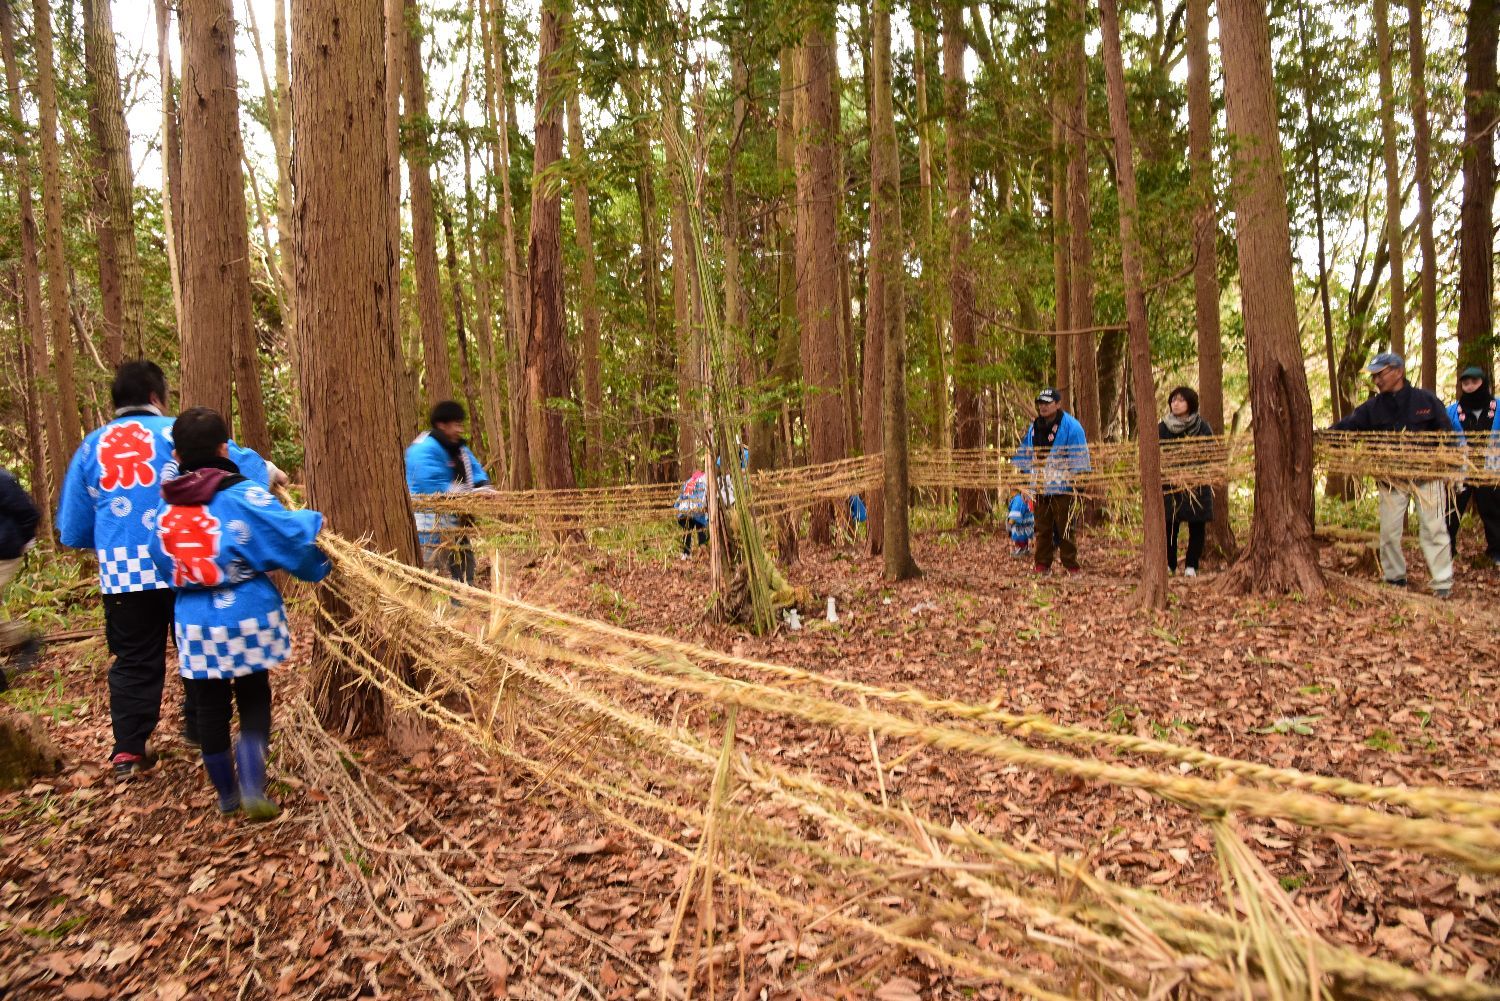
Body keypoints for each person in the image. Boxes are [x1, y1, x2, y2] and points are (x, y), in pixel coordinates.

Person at [56, 361, 280, 778]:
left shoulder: (91, 447)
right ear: (157, 397)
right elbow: (240, 466)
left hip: (122, 574)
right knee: (194, 652)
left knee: (134, 658)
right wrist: (270, 473)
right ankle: (198, 730)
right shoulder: (178, 433)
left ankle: (128, 750)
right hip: (185, 566)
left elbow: (73, 527)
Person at [146, 408, 329, 820]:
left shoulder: (165, 509)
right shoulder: (245, 494)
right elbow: (285, 533)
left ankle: (226, 798)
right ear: (224, 448)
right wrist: (315, 528)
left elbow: (161, 560)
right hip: (247, 612)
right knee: (252, 696)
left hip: (193, 619)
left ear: (176, 454)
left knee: (208, 706)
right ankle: (251, 787)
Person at [1330, 352, 1455, 596]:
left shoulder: (1426, 400)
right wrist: (1322, 435)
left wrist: (1451, 467)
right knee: (1389, 532)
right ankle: (1394, 578)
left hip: (1428, 476)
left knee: (1434, 528)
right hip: (1391, 480)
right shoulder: (1372, 408)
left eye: (1380, 374)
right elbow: (1347, 426)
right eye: (1374, 376)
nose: (1376, 380)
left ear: (1398, 371)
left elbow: (1446, 434)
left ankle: (1442, 583)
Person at [405, 401, 492, 584]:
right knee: (428, 570)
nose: (460, 430)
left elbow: (476, 472)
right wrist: (472, 494)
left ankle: (462, 602)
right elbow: (432, 486)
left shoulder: (458, 448)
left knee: (464, 562)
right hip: (428, 519)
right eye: (456, 425)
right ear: (441, 425)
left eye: (461, 424)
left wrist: (484, 487)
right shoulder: (423, 449)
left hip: (455, 517)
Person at [1013, 388, 1091, 574]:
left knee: (1065, 527)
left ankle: (1071, 565)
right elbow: (1025, 453)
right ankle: (1042, 564)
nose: (1043, 407)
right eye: (1041, 403)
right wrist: (1024, 481)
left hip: (1063, 486)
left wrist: (1078, 484)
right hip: (1040, 485)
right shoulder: (1035, 427)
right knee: (1042, 527)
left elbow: (1080, 455)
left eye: (1047, 403)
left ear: (1057, 404)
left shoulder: (1071, 426)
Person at [1446, 366, 1500, 566]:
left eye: (1474, 383)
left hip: (1491, 468)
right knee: (1452, 510)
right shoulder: (1451, 411)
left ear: (1483, 383)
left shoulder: (1498, 407)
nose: (1469, 387)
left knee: (1493, 510)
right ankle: (1447, 550)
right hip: (1461, 470)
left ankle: (1496, 552)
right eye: (1465, 383)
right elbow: (1442, 437)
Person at [1158, 386, 1215, 578]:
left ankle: (1192, 565)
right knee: (1170, 525)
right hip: (1170, 484)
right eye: (1173, 400)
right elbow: (1158, 454)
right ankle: (1170, 564)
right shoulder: (1163, 427)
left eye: (1181, 400)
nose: (1176, 403)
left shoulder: (1202, 426)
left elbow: (1209, 452)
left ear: (1190, 403)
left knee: (1197, 525)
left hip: (1196, 483)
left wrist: (1192, 468)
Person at [0, 466, 41, 692]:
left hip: (3, 552)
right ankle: (24, 641)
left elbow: (29, 512)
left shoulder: (2, 479)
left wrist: (20, 541)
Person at [673, 470, 710, 560]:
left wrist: (676, 506)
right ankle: (703, 550)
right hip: (697, 510)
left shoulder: (689, 481)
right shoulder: (704, 481)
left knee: (687, 531)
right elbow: (704, 497)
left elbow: (681, 496)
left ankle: (686, 553)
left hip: (685, 509)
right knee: (700, 529)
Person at [1006, 490, 1035, 557]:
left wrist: (1011, 521)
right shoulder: (1018, 500)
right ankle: (1022, 549)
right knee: (1021, 535)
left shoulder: (1021, 500)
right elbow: (1014, 514)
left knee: (1022, 535)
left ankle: (1023, 549)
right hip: (1022, 522)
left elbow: (1017, 510)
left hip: (1023, 522)